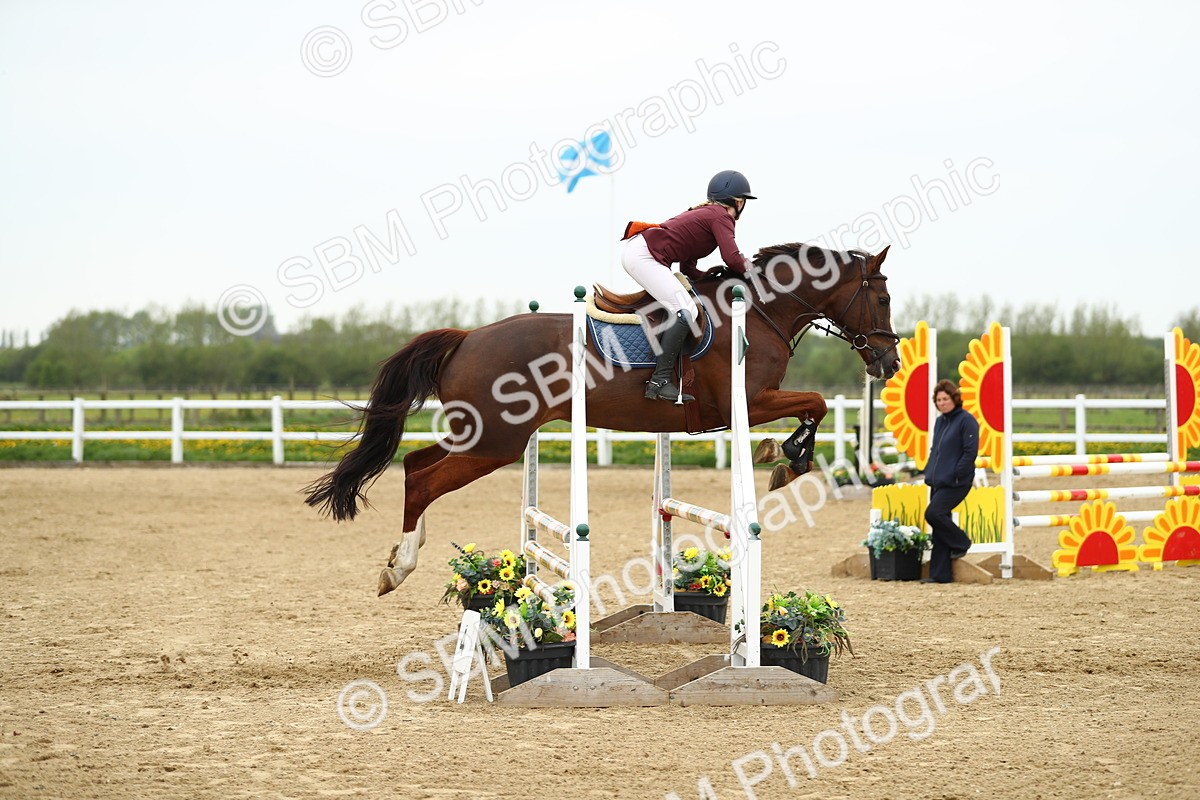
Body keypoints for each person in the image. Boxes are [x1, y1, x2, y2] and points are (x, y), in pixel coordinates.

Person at [620, 169, 756, 403]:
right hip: (644, 256)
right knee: (687, 310)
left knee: (684, 306)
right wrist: (755, 271)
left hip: (641, 252)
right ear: (738, 201)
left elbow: (688, 269)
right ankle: (659, 380)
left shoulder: (707, 213)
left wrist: (710, 276)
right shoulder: (721, 216)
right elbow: (733, 258)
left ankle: (661, 375)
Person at [921, 379, 979, 583]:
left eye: (945, 399)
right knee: (939, 528)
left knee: (933, 514)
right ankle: (940, 575)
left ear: (954, 398)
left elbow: (970, 452)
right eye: (938, 400)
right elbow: (935, 450)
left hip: (957, 482)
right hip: (937, 481)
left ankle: (962, 542)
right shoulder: (940, 421)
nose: (941, 403)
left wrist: (957, 474)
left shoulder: (966, 420)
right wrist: (929, 471)